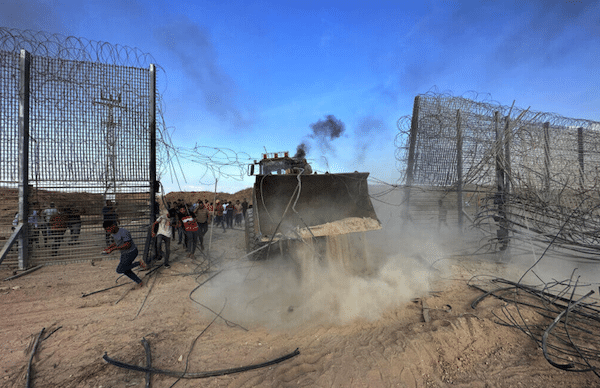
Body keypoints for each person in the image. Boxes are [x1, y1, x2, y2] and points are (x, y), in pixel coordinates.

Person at [103, 219, 145, 287]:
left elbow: (127, 245)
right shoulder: (113, 233)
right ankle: (139, 281)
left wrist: (113, 249)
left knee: (120, 269)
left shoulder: (124, 232)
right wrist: (109, 247)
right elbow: (117, 242)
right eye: (107, 230)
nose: (108, 232)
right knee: (125, 269)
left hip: (131, 252)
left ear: (113, 226)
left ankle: (139, 263)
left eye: (108, 229)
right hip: (124, 253)